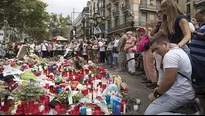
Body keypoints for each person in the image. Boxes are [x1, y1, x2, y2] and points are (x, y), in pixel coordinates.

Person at [144, 36, 195, 115]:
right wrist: (160, 89)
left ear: (165, 44)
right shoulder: (177, 50)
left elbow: (169, 81)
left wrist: (156, 94)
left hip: (179, 94)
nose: (156, 52)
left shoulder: (170, 56)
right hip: (181, 91)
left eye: (157, 48)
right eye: (153, 50)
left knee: (149, 114)